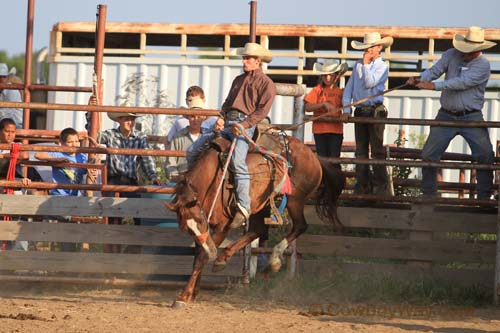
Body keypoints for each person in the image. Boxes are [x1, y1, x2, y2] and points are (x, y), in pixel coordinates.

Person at [187, 42, 276, 229]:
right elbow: (227, 103)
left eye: (248, 58)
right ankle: (193, 191)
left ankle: (243, 205)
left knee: (237, 160)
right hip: (229, 123)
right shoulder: (238, 80)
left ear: (258, 61)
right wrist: (221, 117)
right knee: (193, 150)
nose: (244, 60)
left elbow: (261, 112)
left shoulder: (267, 84)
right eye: (244, 57)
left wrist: (243, 125)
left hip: (246, 125)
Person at [406, 26, 496, 200]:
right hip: (447, 113)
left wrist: (434, 85)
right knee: (429, 155)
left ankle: (484, 198)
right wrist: (421, 78)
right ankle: (429, 196)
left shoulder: (483, 65)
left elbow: (462, 83)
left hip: (471, 115)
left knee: (485, 155)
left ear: (479, 50)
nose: (464, 54)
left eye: (469, 51)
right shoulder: (451, 54)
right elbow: (435, 70)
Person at [342, 32, 393, 195]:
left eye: (371, 47)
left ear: (379, 48)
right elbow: (349, 88)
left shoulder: (382, 67)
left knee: (377, 150)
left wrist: (364, 64)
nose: (368, 51)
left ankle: (380, 188)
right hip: (360, 110)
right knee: (361, 150)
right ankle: (362, 186)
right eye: (367, 48)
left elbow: (370, 82)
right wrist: (347, 109)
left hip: (374, 110)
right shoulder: (358, 65)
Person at [34, 127, 98, 251]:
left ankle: (80, 252)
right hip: (60, 197)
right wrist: (56, 160)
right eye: (70, 142)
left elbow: (90, 173)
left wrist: (93, 170)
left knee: (74, 231)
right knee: (67, 228)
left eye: (76, 141)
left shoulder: (82, 157)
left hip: (76, 198)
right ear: (62, 143)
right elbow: (38, 154)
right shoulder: (59, 153)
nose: (74, 144)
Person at [98, 112, 162, 226]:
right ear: (119, 120)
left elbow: (146, 158)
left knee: (138, 211)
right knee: (112, 211)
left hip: (131, 180)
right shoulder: (110, 134)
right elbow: (95, 136)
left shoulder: (140, 137)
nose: (130, 122)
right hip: (114, 178)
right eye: (126, 119)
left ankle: (136, 239)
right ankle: (113, 239)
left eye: (132, 119)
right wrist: (90, 117)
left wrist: (153, 176)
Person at [304, 59, 347, 159]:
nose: (327, 78)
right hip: (320, 130)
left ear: (337, 76)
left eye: (331, 75)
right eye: (325, 75)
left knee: (334, 158)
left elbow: (347, 106)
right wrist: (323, 104)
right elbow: (307, 107)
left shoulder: (342, 92)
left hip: (336, 131)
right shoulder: (317, 90)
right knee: (323, 158)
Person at [0, 118, 31, 251]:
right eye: (7, 131)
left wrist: (8, 156)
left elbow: (25, 155)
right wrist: (10, 156)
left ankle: (19, 256)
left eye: (13, 132)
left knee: (19, 220)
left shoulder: (17, 146)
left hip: (14, 187)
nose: (10, 135)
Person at [166, 98, 206, 180]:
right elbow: (171, 162)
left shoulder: (207, 136)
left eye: (199, 116)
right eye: (192, 116)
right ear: (188, 117)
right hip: (182, 179)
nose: (196, 120)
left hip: (203, 180)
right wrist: (176, 177)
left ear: (203, 118)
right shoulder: (178, 136)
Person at [0, 63, 23, 128]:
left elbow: (9, 112)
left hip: (16, 123)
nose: (1, 79)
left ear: (7, 78)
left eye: (4, 77)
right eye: (0, 77)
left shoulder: (12, 91)